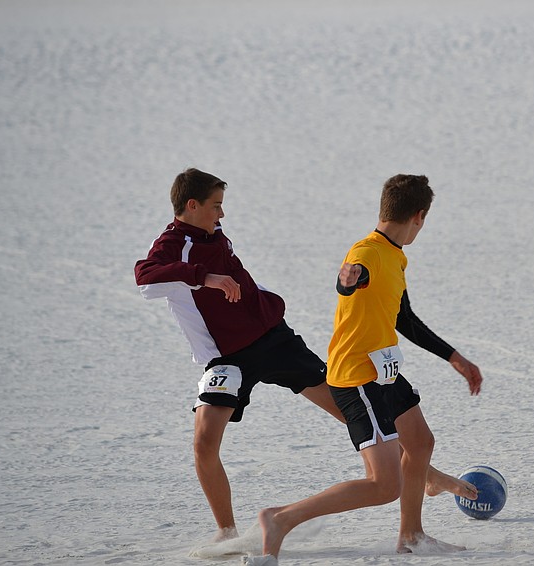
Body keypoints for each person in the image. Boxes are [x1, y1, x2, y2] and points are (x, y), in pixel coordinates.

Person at [134, 169, 477, 543]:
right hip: (228, 357)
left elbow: (393, 307)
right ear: (192, 205)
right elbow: (146, 274)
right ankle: (226, 532)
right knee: (204, 441)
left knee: (353, 414)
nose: (222, 215)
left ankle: (426, 475)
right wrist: (207, 278)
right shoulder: (173, 244)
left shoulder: (215, 235)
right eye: (216, 206)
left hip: (274, 339)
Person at [247, 174, 483, 565]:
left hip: (383, 370)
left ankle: (411, 536)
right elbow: (352, 278)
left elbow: (404, 319)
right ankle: (280, 519)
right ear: (419, 217)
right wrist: (346, 282)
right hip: (358, 377)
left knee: (421, 443)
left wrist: (453, 357)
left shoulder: (394, 255)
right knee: (383, 484)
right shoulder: (367, 253)